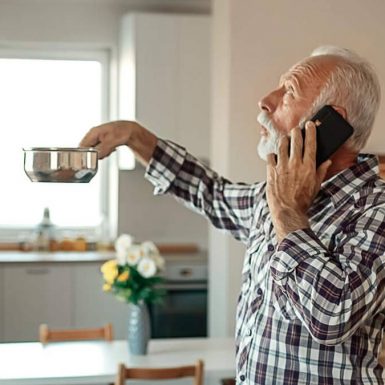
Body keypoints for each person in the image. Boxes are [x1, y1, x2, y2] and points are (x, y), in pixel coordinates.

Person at [80, 46, 385, 384]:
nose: (266, 100)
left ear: (330, 124)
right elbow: (210, 193)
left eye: (289, 92)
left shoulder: (375, 210)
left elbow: (332, 316)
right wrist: (133, 136)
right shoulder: (269, 196)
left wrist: (289, 212)